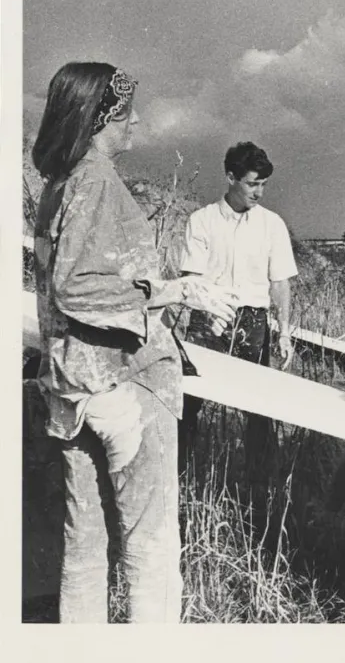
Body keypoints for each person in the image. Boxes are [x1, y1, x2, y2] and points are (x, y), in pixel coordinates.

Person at [30, 62, 237, 623]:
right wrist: (177, 290)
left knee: (85, 548)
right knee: (151, 550)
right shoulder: (96, 181)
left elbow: (61, 282)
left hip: (72, 388)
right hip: (124, 382)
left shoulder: (58, 184)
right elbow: (79, 286)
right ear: (99, 120)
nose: (137, 120)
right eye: (126, 113)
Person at [179, 141, 299, 473]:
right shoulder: (201, 221)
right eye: (252, 183)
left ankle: (260, 490)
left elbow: (280, 282)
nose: (259, 192)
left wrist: (285, 334)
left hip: (254, 322)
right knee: (187, 401)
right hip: (208, 319)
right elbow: (191, 278)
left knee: (259, 409)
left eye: (263, 184)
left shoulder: (272, 224)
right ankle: (177, 476)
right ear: (231, 177)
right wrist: (210, 311)